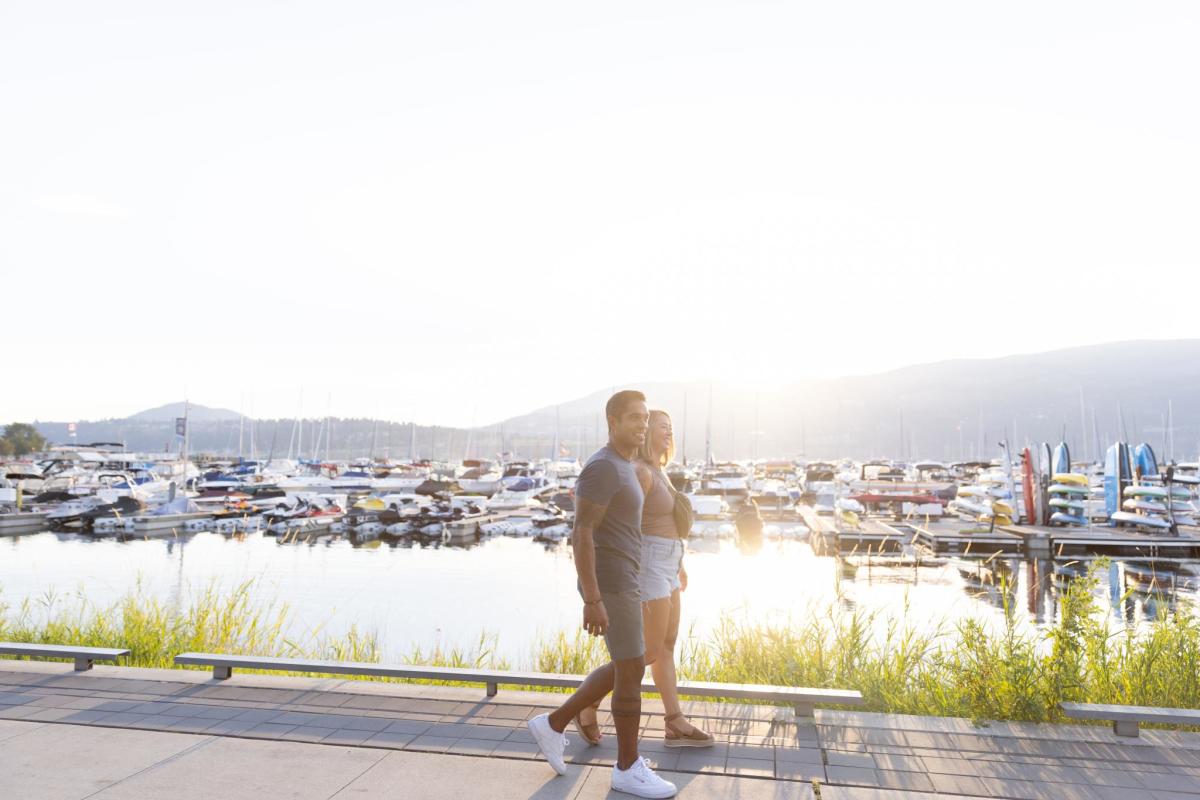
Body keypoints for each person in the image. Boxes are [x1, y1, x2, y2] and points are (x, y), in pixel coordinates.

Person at [527, 390, 677, 799]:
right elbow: (581, 532)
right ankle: (627, 768)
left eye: (646, 417)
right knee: (631, 669)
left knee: (630, 664)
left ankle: (555, 724)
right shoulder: (604, 468)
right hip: (608, 582)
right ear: (612, 421)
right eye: (634, 418)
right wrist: (592, 598)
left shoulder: (627, 465)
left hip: (625, 579)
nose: (642, 424)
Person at [635, 409, 713, 746]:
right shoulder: (640, 472)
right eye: (662, 427)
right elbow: (628, 527)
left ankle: (674, 721)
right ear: (647, 430)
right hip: (649, 564)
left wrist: (679, 563)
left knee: (666, 645)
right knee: (648, 650)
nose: (668, 433)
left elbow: (667, 525)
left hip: (668, 562)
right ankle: (586, 704)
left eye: (671, 427)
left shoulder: (658, 470)